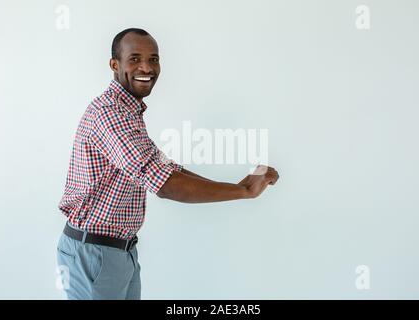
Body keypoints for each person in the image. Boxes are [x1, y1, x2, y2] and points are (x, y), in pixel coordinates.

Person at [56, 28, 279, 300]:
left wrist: (235, 186)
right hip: (93, 254)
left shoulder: (128, 111)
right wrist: (243, 192)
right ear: (115, 64)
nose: (147, 67)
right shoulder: (111, 114)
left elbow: (165, 167)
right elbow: (164, 184)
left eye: (154, 59)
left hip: (119, 252)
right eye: (135, 58)